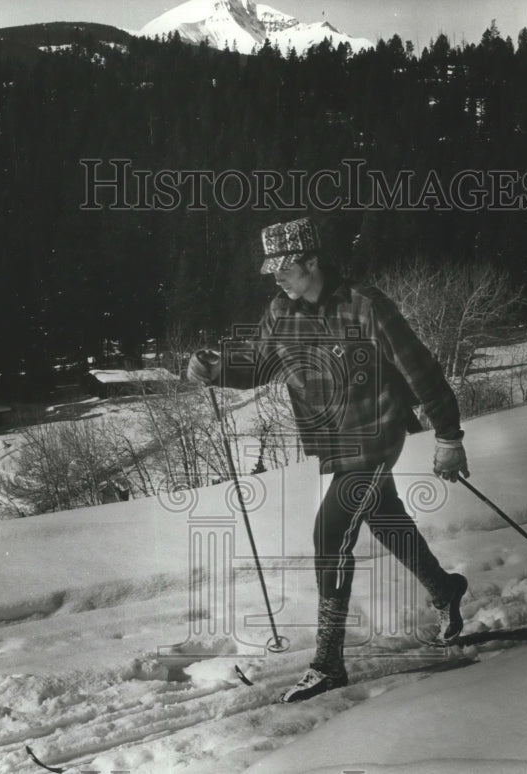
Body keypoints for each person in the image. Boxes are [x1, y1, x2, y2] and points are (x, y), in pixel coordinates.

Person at [188, 216, 469, 703]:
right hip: (335, 444)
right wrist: (215, 370)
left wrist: (449, 436)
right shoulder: (282, 312)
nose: (276, 277)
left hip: (377, 435)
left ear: (311, 261)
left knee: (330, 534)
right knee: (384, 520)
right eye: (272, 269)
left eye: (285, 268)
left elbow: (421, 371)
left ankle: (329, 663)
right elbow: (261, 364)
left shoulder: (365, 307)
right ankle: (445, 590)